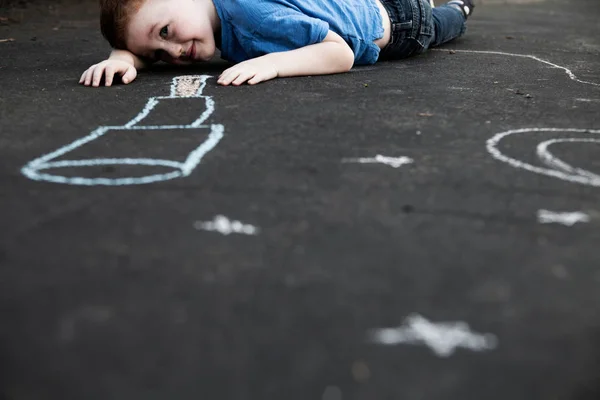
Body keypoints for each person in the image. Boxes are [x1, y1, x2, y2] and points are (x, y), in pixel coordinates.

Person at [80, 0, 474, 87]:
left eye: (165, 33)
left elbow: (341, 52)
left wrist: (274, 64)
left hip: (401, 25)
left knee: (441, 25)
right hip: (366, 6)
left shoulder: (250, 13)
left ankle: (460, 7)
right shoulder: (214, 19)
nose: (173, 52)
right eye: (157, 55)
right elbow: (148, 41)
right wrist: (125, 56)